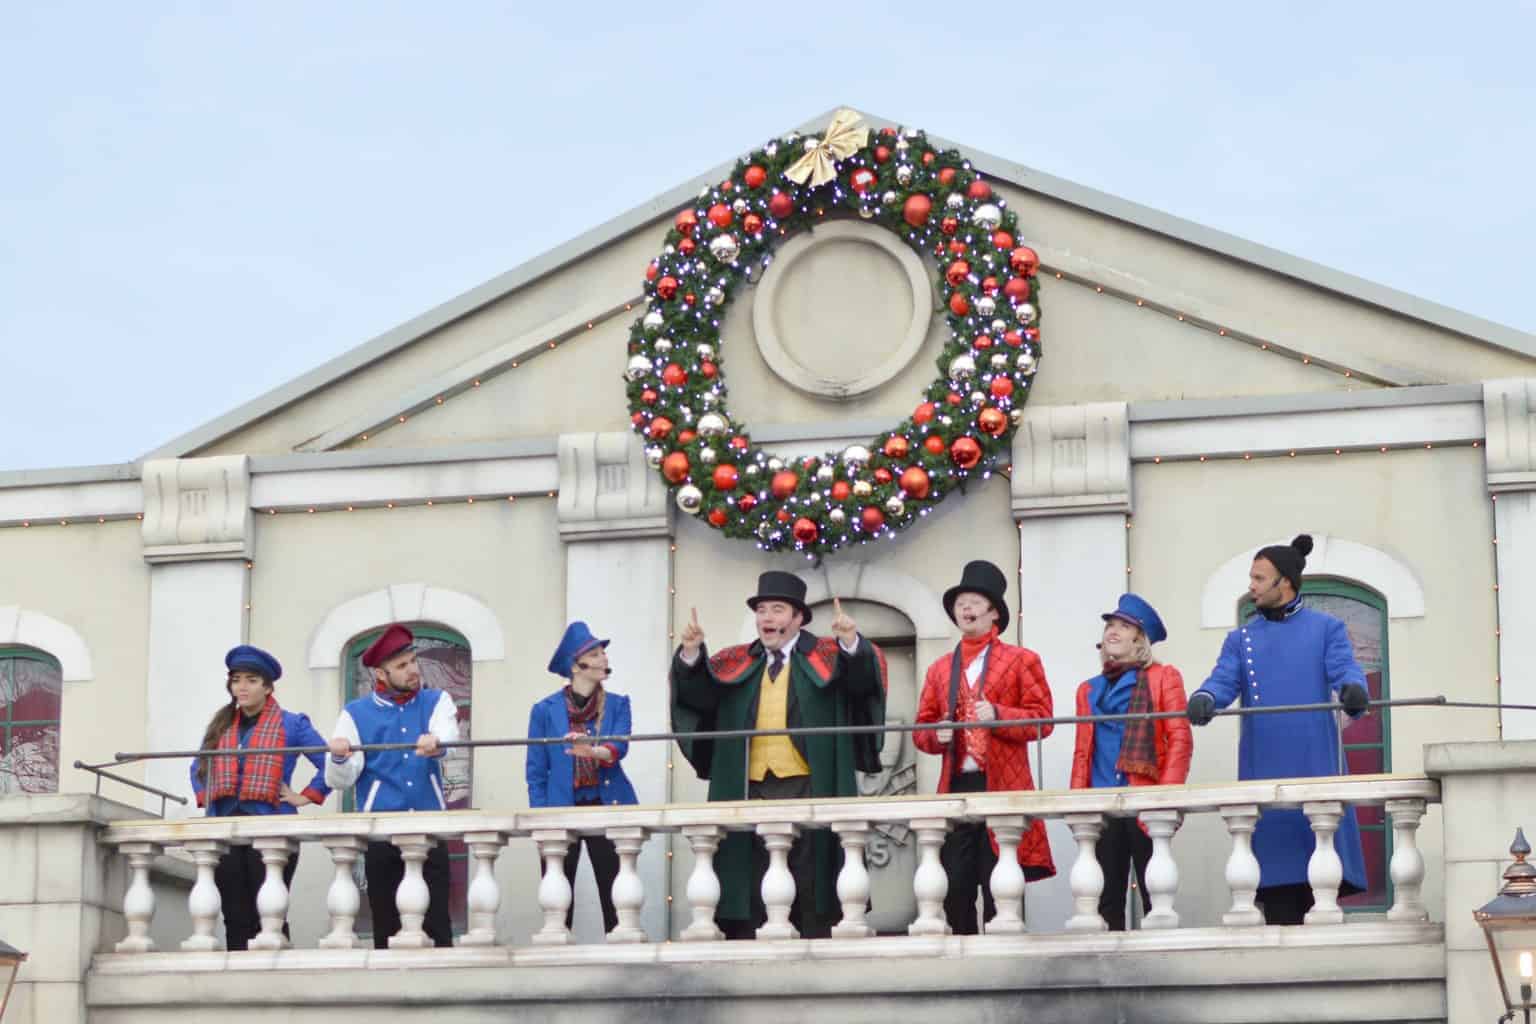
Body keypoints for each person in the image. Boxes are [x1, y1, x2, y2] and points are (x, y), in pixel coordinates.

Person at [670, 570, 887, 939]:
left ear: (798, 618)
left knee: (809, 874)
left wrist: (851, 642)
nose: (767, 619)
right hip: (748, 786)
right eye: (762, 611)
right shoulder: (735, 660)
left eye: (777, 610)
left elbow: (862, 686)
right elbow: (700, 699)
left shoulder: (828, 655)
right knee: (750, 874)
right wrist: (691, 654)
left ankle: (811, 941)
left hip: (808, 782)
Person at [1187, 534, 1371, 924]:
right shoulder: (1242, 638)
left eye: (1258, 577)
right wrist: (1205, 698)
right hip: (1264, 766)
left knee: (1320, 884)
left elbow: (1345, 671)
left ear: (1283, 582)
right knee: (1276, 888)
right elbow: (1222, 681)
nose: (1251, 585)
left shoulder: (1327, 629)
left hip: (1314, 762)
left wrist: (1354, 690)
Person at [913, 560, 1055, 934]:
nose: (966, 608)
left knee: (1000, 882)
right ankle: (962, 955)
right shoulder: (941, 668)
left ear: (994, 612)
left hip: (1004, 785)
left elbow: (1043, 720)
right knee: (955, 884)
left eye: (974, 601)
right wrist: (936, 735)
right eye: (961, 602)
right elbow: (921, 729)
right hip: (958, 786)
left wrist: (998, 715)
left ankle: (1004, 957)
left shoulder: (1022, 660)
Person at [326, 623, 460, 947]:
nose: (413, 670)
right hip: (382, 835)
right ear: (381, 675)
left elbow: (450, 738)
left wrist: (437, 742)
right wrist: (340, 757)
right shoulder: (355, 714)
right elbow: (337, 779)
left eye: (413, 661)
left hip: (429, 830)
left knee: (438, 924)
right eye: (402, 666)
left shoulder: (436, 700)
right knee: (386, 926)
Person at [189, 644, 330, 950]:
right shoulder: (221, 724)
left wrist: (304, 796)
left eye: (251, 680)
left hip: (272, 828)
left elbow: (331, 762)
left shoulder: (292, 724)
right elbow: (197, 766)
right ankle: (238, 983)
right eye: (236, 679)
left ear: (268, 687)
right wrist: (208, 797)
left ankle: (276, 981)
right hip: (226, 829)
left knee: (269, 914)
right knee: (234, 914)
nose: (242, 687)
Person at [1069, 594, 1192, 930]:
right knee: (1105, 897)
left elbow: (1180, 737)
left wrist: (1166, 796)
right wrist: (1077, 802)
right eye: (1110, 624)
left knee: (1156, 894)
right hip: (1102, 799)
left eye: (1124, 626)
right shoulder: (1088, 689)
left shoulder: (1163, 677)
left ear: (1140, 639)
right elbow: (1082, 751)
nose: (1113, 631)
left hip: (1146, 801)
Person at [526, 621, 639, 934]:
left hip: (608, 805)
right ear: (577, 665)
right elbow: (535, 771)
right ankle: (554, 964)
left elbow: (620, 746)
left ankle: (622, 961)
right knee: (558, 901)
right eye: (596, 653)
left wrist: (595, 752)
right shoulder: (544, 711)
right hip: (561, 808)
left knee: (616, 894)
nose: (604, 659)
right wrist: (542, 817)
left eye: (603, 653)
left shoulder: (618, 704)